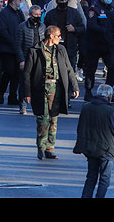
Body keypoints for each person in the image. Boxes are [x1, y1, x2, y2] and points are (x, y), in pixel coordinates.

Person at [23, 25, 80, 160]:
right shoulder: (35, 50)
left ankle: (50, 148)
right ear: (51, 36)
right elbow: (26, 73)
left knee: (54, 118)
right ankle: (41, 147)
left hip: (56, 87)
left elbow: (68, 68)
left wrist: (75, 86)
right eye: (58, 36)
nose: (60, 38)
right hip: (41, 88)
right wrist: (27, 92)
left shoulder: (61, 49)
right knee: (43, 118)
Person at [73, 84, 114, 198]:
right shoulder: (109, 110)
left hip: (90, 148)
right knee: (104, 179)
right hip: (106, 149)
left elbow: (80, 127)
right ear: (109, 96)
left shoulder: (86, 107)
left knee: (91, 177)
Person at [83, 0, 114, 101]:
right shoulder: (94, 9)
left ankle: (108, 91)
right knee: (91, 70)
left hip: (107, 45)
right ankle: (88, 92)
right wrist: (104, 30)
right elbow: (91, 25)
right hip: (94, 44)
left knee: (113, 67)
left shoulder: (112, 8)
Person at [15, 5, 46, 115]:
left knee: (39, 81)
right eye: (35, 15)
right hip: (27, 56)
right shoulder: (22, 27)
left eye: (39, 15)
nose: (37, 17)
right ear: (30, 15)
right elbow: (18, 45)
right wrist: (21, 60)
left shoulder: (43, 27)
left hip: (39, 57)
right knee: (24, 81)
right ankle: (22, 104)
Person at [0, 0, 25, 106]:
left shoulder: (19, 13)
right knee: (9, 72)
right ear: (13, 1)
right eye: (19, 0)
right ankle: (1, 90)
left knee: (17, 74)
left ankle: (13, 96)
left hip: (18, 48)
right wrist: (13, 42)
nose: (21, 3)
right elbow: (2, 31)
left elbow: (23, 25)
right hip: (7, 49)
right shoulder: (4, 14)